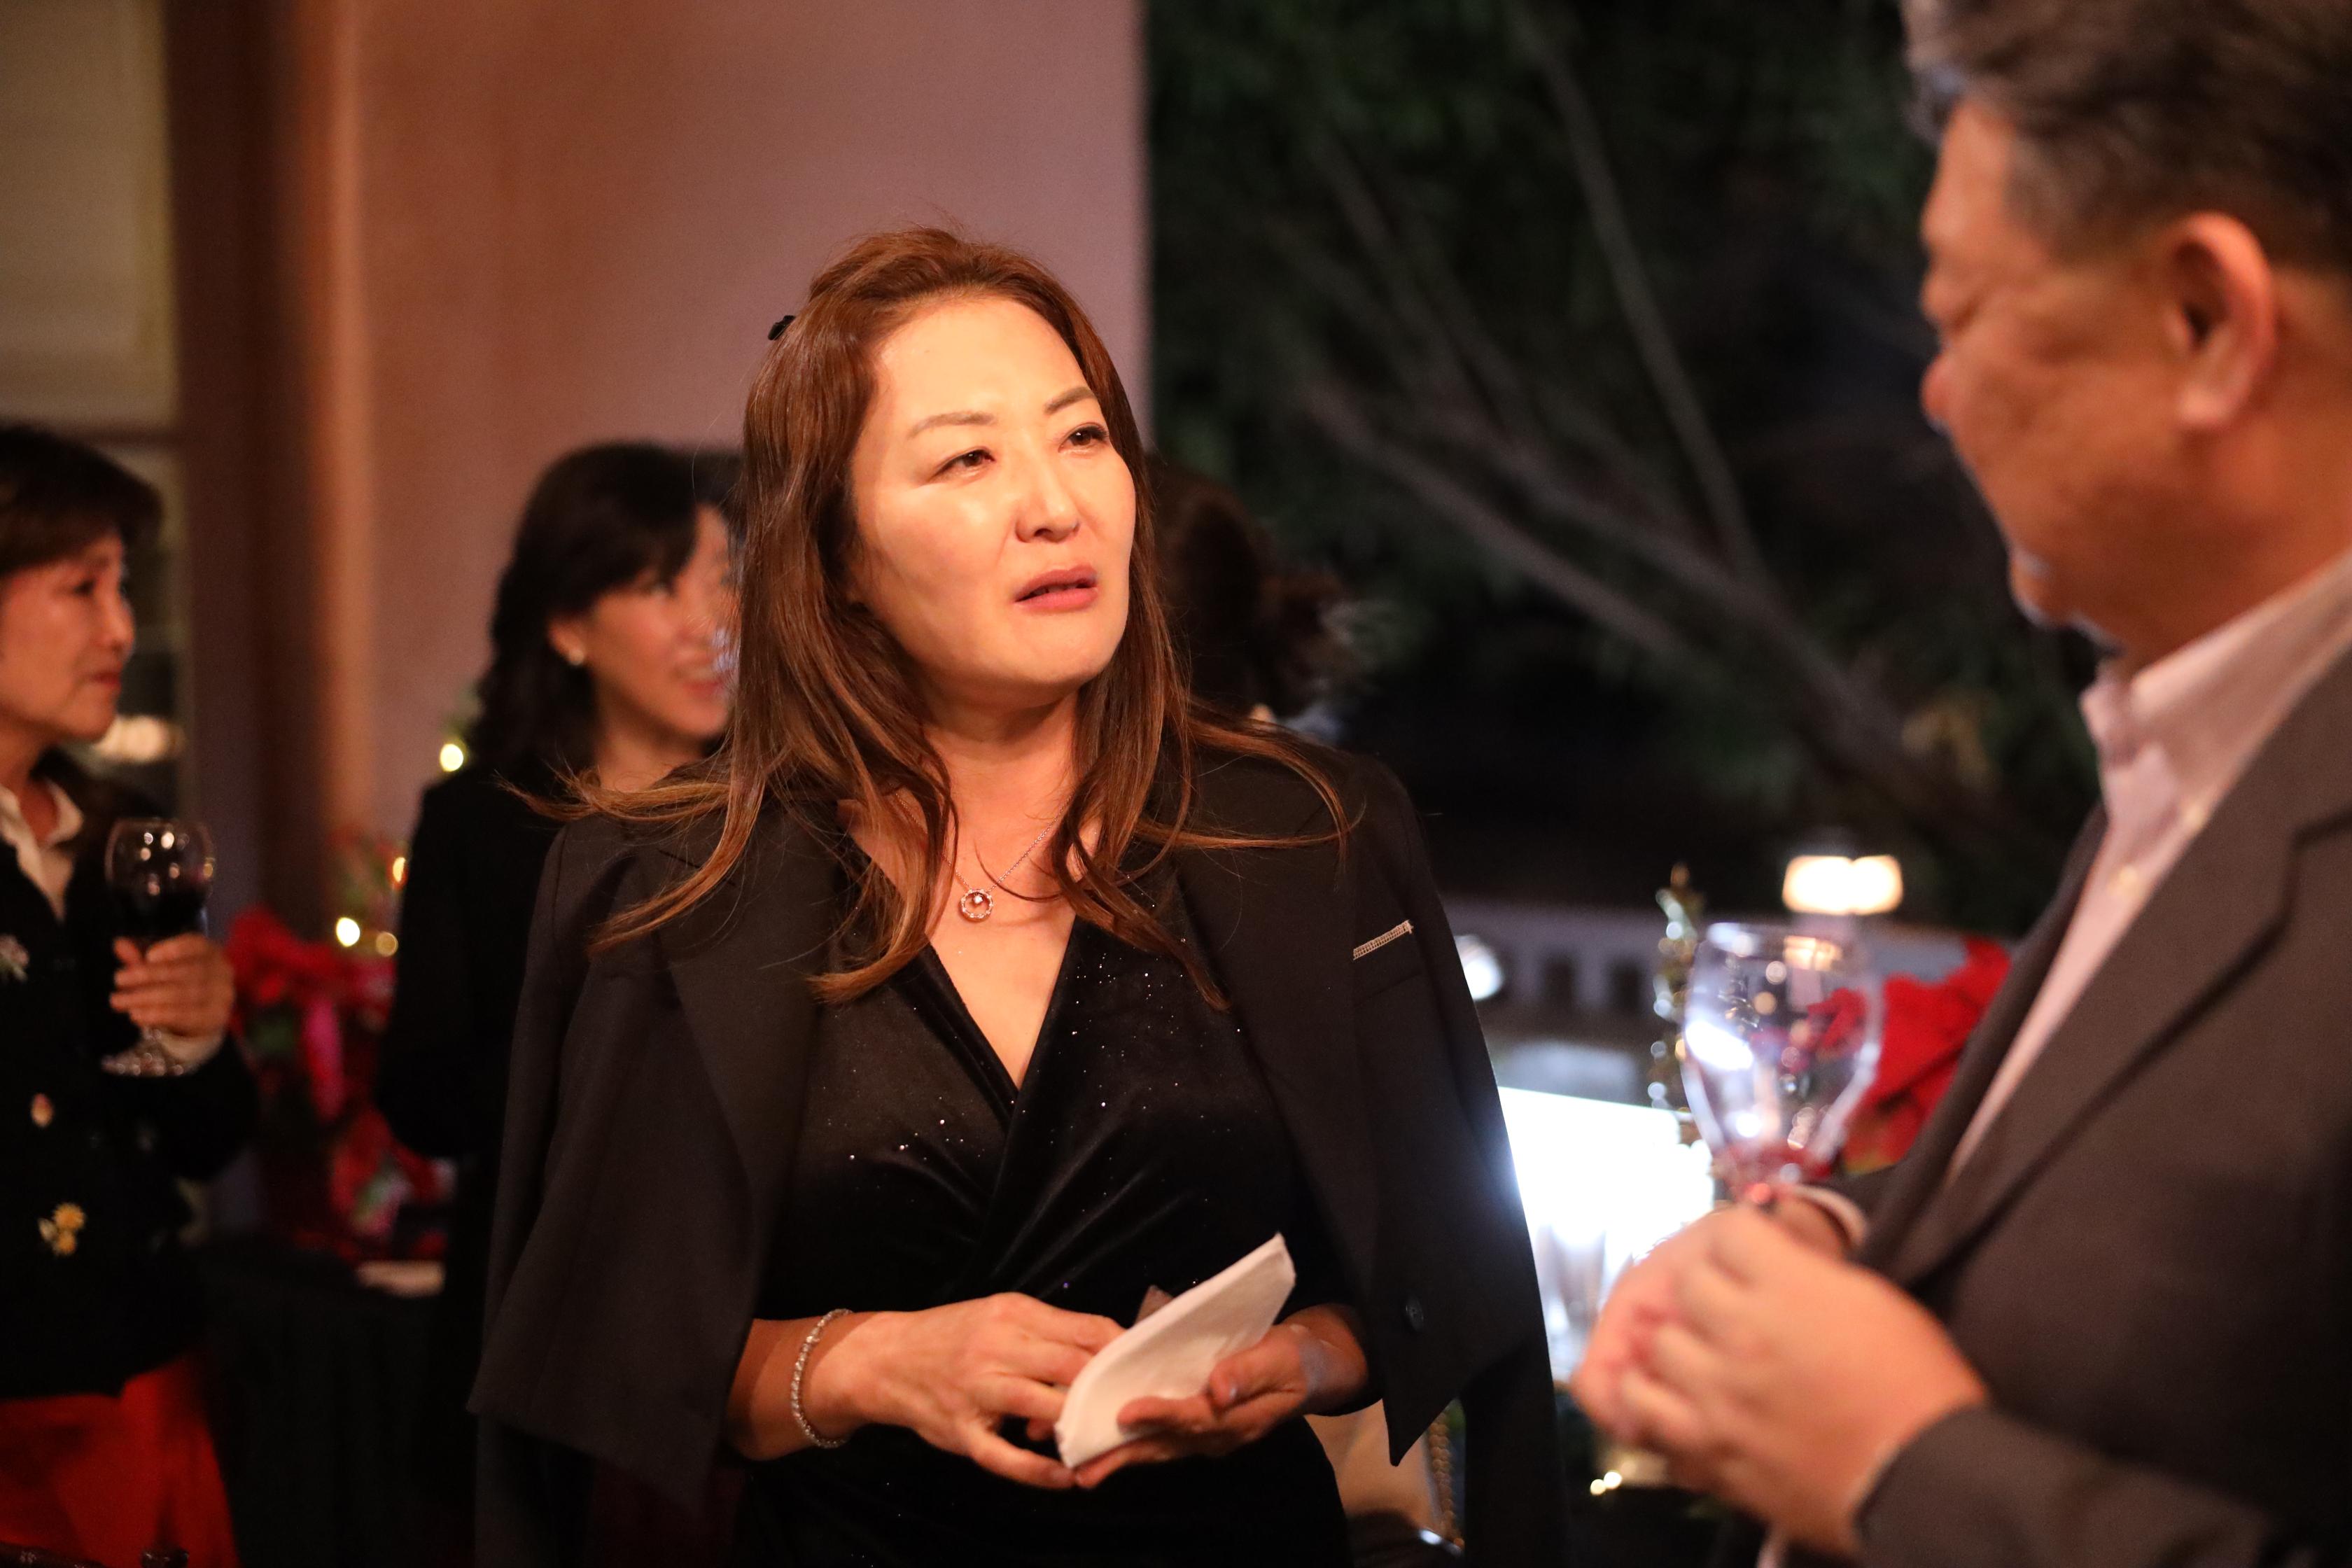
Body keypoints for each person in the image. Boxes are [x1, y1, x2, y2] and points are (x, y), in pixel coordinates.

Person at [472, 228, 1566, 1567]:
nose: (1055, 504)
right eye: (967, 460)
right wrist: (865, 1365)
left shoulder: (1307, 832)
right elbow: (605, 1354)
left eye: (1082, 437)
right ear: (837, 560)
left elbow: (1450, 1268)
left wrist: (1308, 1359)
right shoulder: (677, 887)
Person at [1573, 2, 2352, 1564]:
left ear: (2206, 321)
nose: (1938, 394)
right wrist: (1835, 1237)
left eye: (1964, 310)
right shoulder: (2200, 749)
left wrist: (1896, 1468)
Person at [377, 442, 738, 1532]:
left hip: (741, 1323)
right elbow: (424, 1096)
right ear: (570, 624)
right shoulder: (485, 823)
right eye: (659, 587)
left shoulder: (782, 810)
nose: (710, 624)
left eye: (721, 579)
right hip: (540, 1303)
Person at [0, 424, 255, 1567]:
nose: (120, 629)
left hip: (151, 1372)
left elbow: (209, 1140)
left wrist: (197, 1037)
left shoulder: (114, 834)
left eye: (124, 587)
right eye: (83, 588)